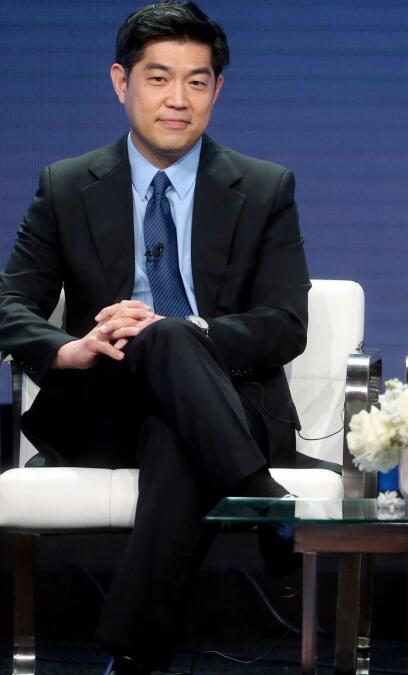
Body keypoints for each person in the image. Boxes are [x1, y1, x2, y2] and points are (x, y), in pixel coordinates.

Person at [0, 2, 310, 672]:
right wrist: (68, 347)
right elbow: (9, 302)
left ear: (217, 90)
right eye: (159, 78)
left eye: (197, 82)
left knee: (172, 375)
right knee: (158, 352)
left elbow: (286, 324)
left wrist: (187, 332)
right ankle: (263, 500)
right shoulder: (65, 186)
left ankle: (134, 655)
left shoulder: (263, 189)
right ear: (121, 82)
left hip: (226, 404)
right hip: (102, 405)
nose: (178, 99)